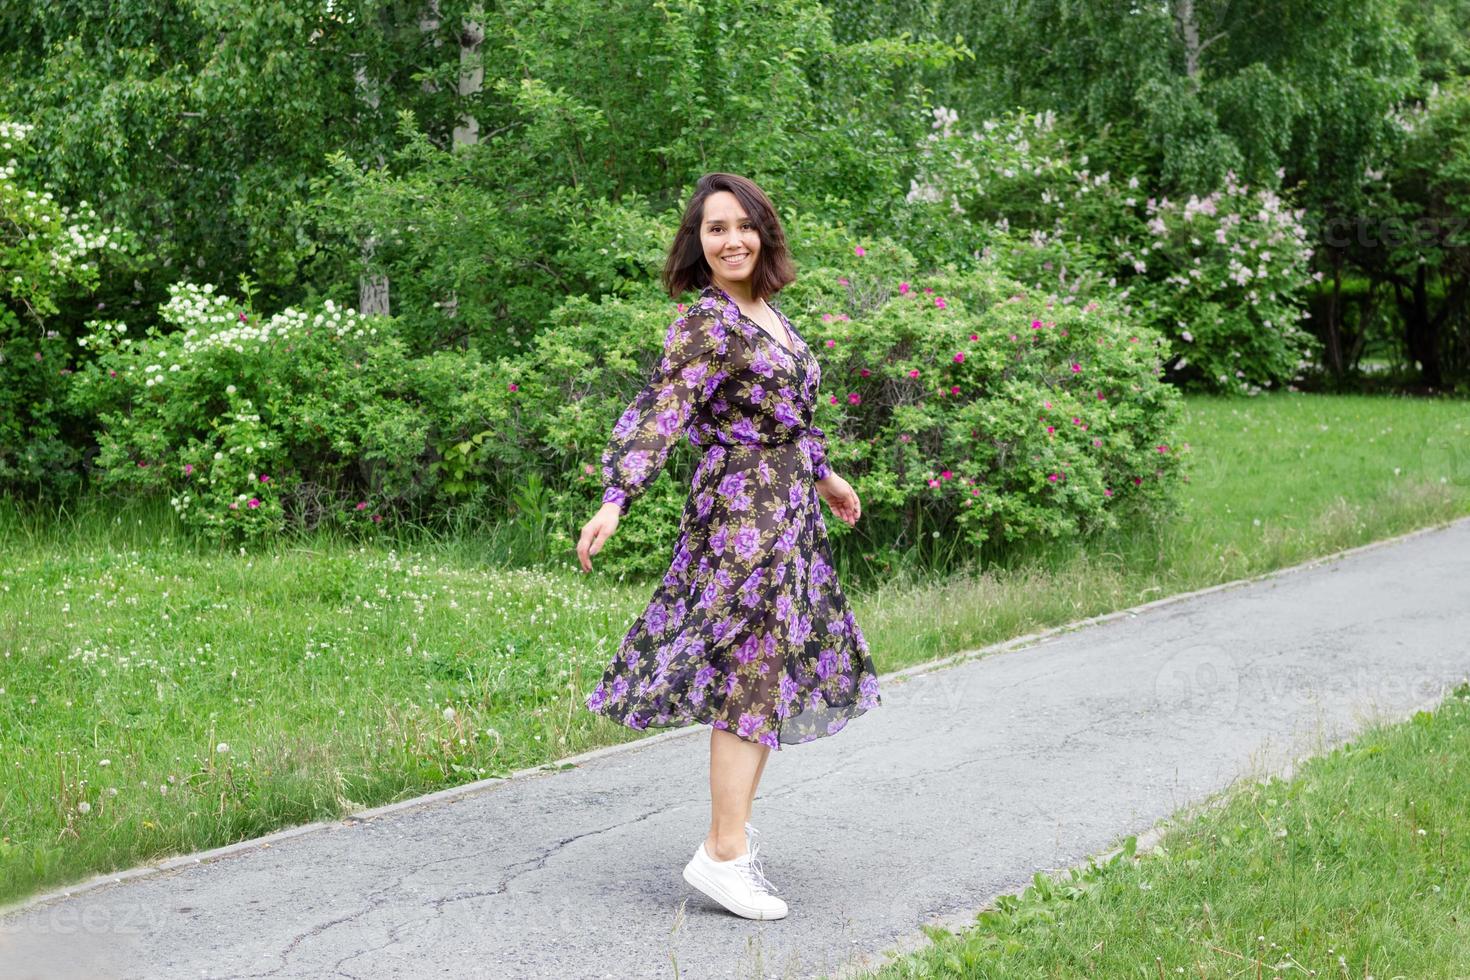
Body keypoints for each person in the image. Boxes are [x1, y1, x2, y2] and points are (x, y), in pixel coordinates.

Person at [576, 173, 881, 920]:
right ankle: (722, 851)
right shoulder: (707, 321)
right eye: (715, 229)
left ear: (763, 233)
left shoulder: (767, 313)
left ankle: (730, 844)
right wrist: (617, 495)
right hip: (742, 513)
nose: (732, 239)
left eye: (743, 225)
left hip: (788, 509)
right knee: (750, 670)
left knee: (767, 673)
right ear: (698, 243)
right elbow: (662, 408)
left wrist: (827, 475)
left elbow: (782, 419)